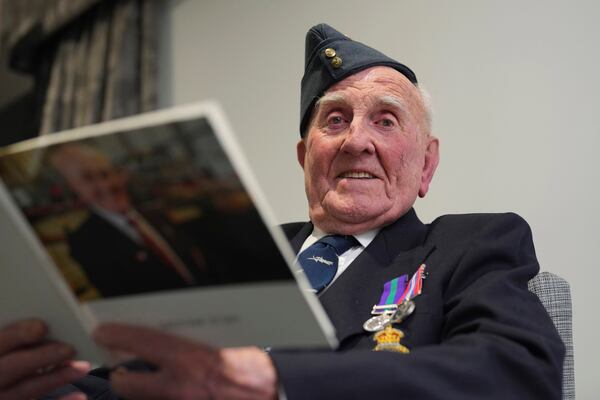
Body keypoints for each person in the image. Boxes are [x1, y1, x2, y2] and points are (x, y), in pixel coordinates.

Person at [0, 23, 564, 400]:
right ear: (305, 156)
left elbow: (517, 371)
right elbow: (134, 370)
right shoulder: (230, 247)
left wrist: (273, 381)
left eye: (386, 121)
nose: (355, 142)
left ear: (426, 166)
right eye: (335, 120)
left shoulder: (468, 246)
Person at [48, 143, 208, 297]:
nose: (107, 185)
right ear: (72, 190)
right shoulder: (85, 243)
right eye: (88, 179)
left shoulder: (155, 215)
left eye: (106, 174)